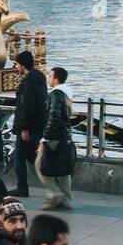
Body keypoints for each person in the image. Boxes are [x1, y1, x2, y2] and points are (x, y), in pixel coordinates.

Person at [10, 49, 48, 198]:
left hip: (28, 127)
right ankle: (50, 180)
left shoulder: (28, 83)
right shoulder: (39, 79)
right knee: (31, 156)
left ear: (23, 65)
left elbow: (27, 106)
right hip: (39, 125)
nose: (15, 67)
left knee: (19, 156)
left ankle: (22, 188)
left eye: (17, 64)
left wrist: (24, 128)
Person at [36, 66, 75, 211]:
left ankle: (54, 194)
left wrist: (45, 137)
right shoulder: (67, 94)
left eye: (50, 76)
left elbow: (54, 116)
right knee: (64, 170)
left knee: (40, 165)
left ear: (56, 79)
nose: (48, 78)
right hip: (65, 135)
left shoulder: (55, 94)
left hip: (53, 136)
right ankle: (67, 200)